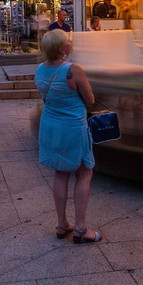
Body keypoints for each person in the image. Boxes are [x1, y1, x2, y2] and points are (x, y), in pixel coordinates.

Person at [35, 29, 100, 244]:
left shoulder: (40, 70)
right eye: (68, 40)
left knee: (61, 173)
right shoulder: (73, 70)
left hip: (50, 126)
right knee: (84, 173)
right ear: (63, 48)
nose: (71, 42)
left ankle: (62, 224)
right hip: (73, 128)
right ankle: (80, 228)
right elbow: (90, 100)